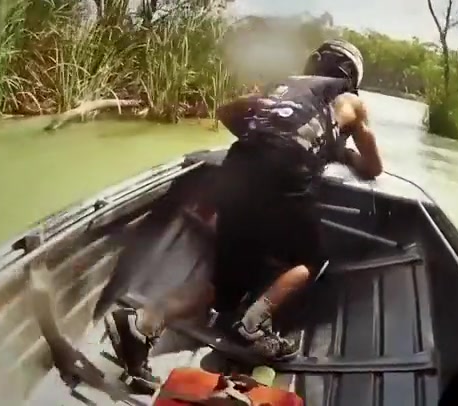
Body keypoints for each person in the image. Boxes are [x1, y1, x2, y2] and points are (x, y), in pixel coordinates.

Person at [103, 38, 383, 390]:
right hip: (284, 171)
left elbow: (225, 113)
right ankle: (254, 325)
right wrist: (343, 152)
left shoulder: (283, 86)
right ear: (350, 77)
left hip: (237, 168)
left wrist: (268, 133)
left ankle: (143, 322)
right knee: (311, 260)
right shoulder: (350, 100)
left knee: (224, 287)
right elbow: (373, 166)